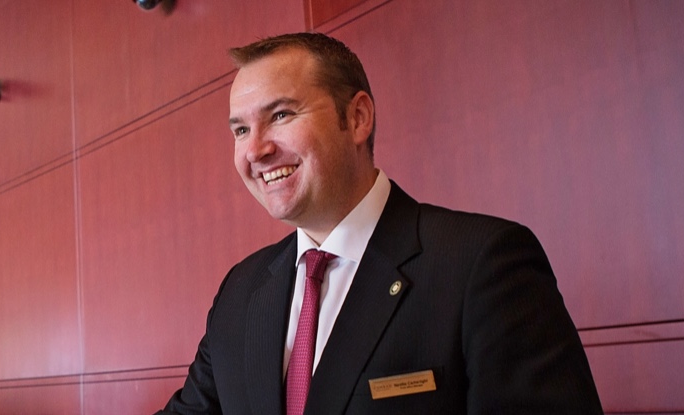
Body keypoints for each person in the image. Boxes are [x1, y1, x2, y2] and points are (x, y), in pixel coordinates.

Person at [157, 32, 603, 414]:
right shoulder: (241, 291)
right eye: (240, 130)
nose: (255, 151)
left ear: (357, 118)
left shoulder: (482, 265)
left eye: (280, 115)